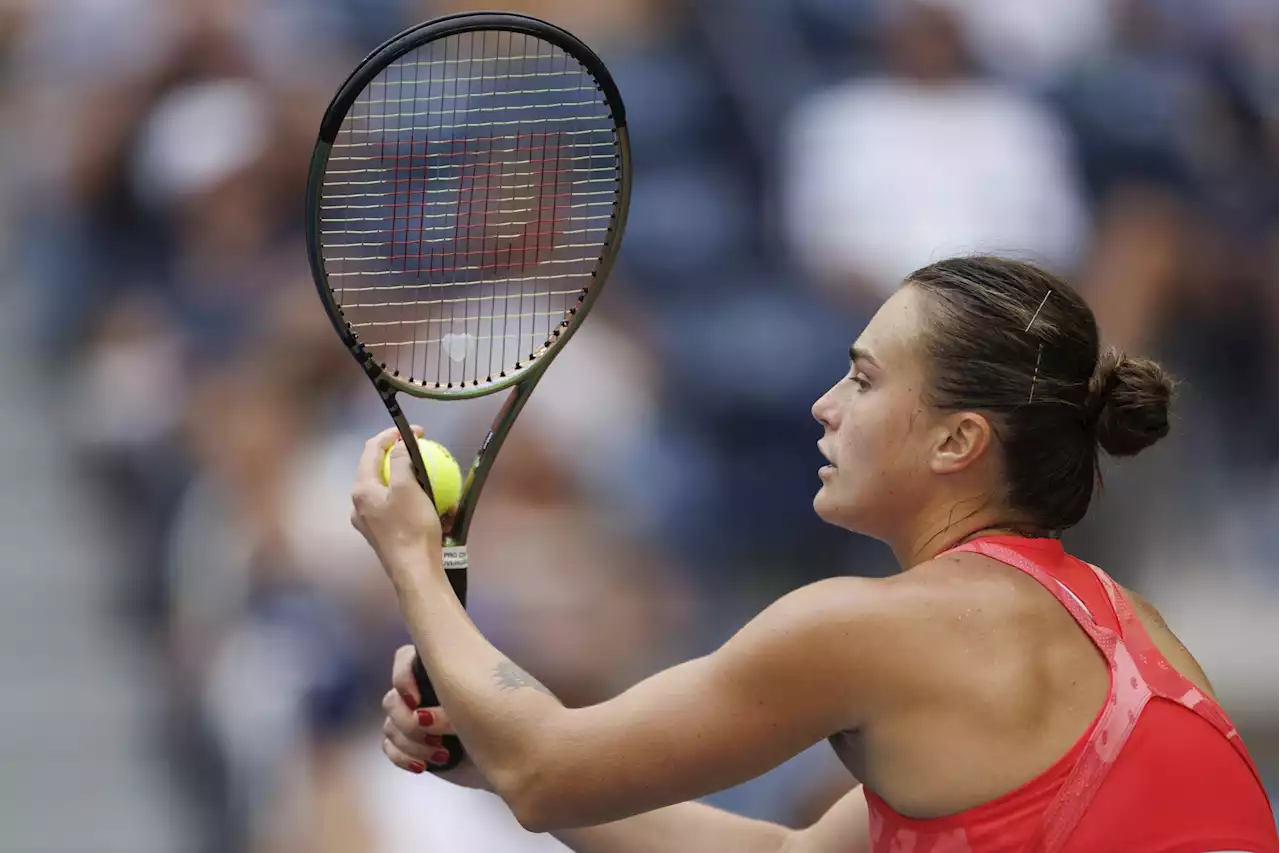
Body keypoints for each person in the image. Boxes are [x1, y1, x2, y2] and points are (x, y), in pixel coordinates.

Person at [350, 256, 1280, 853]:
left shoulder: (875, 628)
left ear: (959, 442)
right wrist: (484, 748)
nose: (823, 404)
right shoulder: (1122, 623)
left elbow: (551, 769)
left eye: (865, 379)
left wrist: (415, 564)